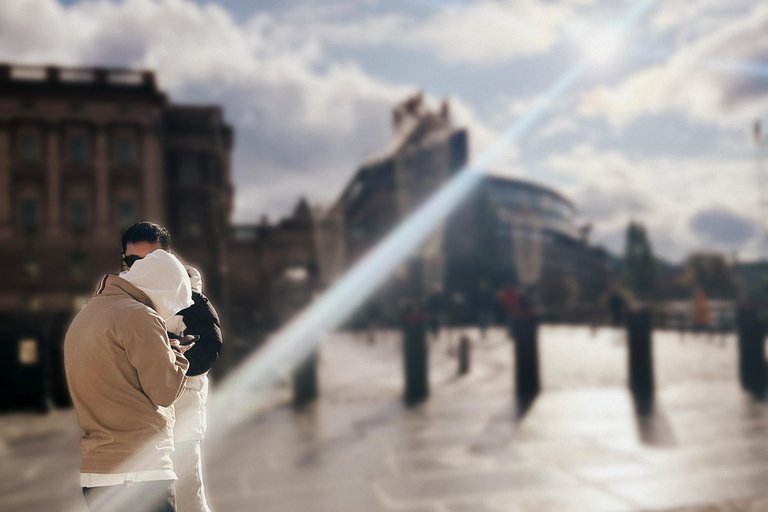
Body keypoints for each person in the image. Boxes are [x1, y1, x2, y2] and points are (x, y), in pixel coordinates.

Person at [65, 246, 194, 512]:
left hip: (96, 472)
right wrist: (177, 355)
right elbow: (165, 391)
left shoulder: (84, 316)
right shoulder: (141, 316)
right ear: (163, 291)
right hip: (142, 471)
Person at [122, 222, 222, 512]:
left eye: (150, 260)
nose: (140, 268)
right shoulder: (121, 294)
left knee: (188, 492)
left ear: (168, 257)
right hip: (139, 419)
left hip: (181, 415)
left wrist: (165, 364)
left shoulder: (189, 294)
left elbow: (207, 351)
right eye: (132, 261)